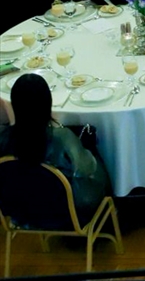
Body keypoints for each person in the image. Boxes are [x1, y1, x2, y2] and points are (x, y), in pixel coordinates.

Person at [0, 74, 110, 218]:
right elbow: (87, 168)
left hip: (20, 211)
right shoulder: (61, 137)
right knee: (94, 156)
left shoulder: (3, 137)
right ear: (47, 103)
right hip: (67, 212)